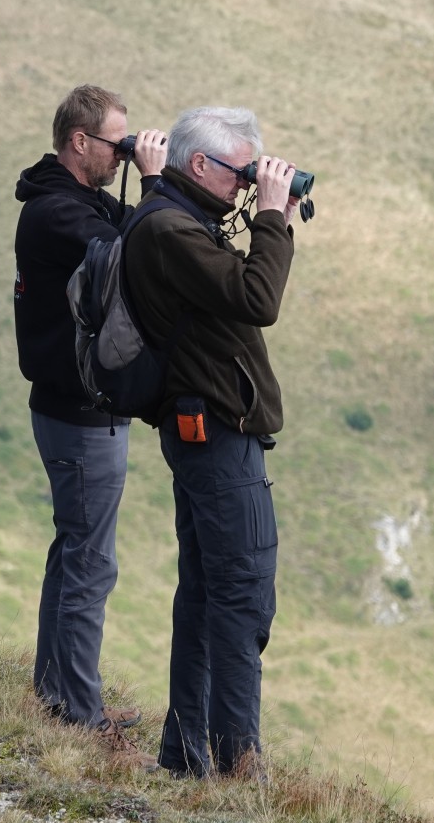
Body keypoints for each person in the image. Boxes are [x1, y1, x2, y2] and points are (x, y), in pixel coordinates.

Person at [122, 105, 300, 779]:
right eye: (240, 171)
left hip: (206, 431)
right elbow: (259, 300)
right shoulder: (172, 228)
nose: (248, 184)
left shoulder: (172, 214)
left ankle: (185, 755)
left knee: (205, 592)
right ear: (199, 165)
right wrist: (274, 216)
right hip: (216, 436)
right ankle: (234, 763)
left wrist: (251, 204)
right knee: (242, 594)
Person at [12, 85, 168, 737]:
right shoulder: (57, 214)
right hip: (80, 414)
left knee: (74, 551)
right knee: (90, 563)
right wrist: (155, 182)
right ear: (79, 141)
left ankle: (57, 693)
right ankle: (77, 714)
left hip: (74, 408)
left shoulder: (74, 201)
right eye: (115, 144)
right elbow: (138, 255)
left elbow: (127, 228)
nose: (121, 157)